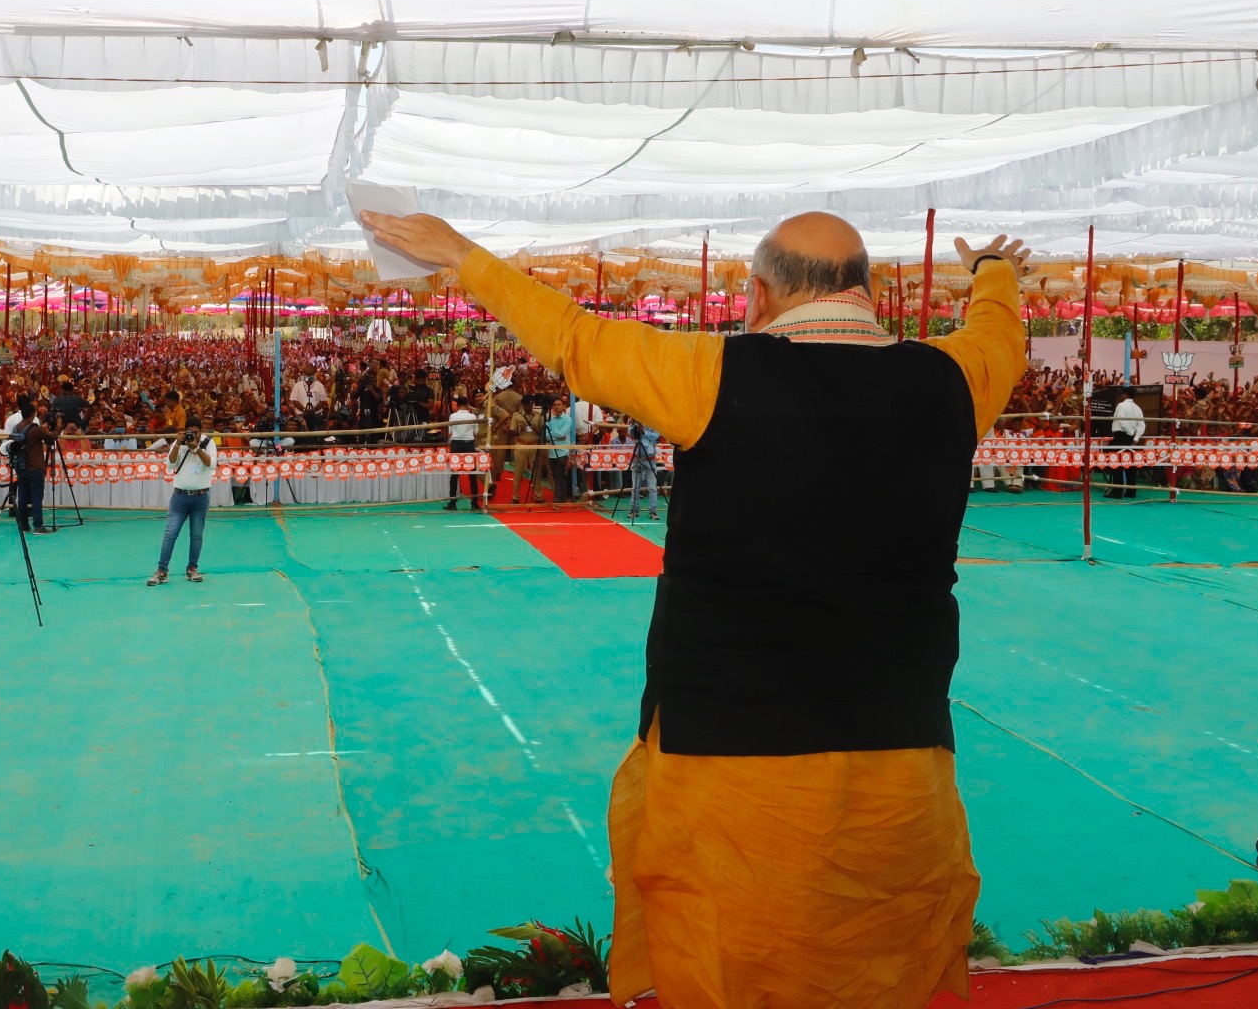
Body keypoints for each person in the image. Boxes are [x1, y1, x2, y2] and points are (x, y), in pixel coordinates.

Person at [362, 207, 1027, 1009]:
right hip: (902, 765)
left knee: (726, 972)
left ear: (758, 295)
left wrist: (458, 253)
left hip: (732, 768)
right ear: (867, 292)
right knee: (875, 967)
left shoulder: (714, 372)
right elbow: (1000, 334)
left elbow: (575, 339)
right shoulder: (954, 379)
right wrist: (993, 271)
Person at [150, 424, 216, 586]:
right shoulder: (178, 443)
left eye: (195, 433)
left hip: (201, 497)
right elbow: (170, 464)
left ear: (201, 432)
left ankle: (192, 569)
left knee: (197, 534)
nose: (192, 436)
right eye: (189, 433)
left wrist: (197, 447)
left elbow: (211, 465)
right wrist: (178, 444)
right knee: (170, 534)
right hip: (179, 497)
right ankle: (162, 571)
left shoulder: (208, 443)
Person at [12, 396, 54, 533]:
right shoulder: (34, 429)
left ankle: (24, 525)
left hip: (21, 467)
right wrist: (58, 427)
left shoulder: (16, 428)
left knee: (22, 497)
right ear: (33, 414)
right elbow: (50, 438)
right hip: (35, 466)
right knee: (36, 497)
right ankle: (38, 525)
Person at [443, 394, 484, 512]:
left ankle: (452, 503)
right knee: (472, 475)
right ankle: (475, 503)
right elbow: (476, 431)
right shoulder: (472, 416)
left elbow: (450, 431)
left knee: (454, 474)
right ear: (466, 404)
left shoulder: (452, 416)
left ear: (457, 405)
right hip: (468, 444)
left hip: (456, 444)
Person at [1108, 384, 1146, 498]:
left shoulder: (1121, 406)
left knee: (1117, 463)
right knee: (1130, 464)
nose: (1120, 396)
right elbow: (1141, 425)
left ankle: (1117, 491)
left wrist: (1130, 433)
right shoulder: (1138, 408)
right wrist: (1135, 438)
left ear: (1126, 394)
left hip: (1121, 436)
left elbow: (1122, 421)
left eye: (1122, 393)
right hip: (1131, 438)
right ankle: (1131, 491)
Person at [627, 419, 661, 521]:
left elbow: (656, 436)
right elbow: (631, 434)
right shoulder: (636, 423)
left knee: (652, 487)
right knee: (635, 486)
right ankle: (634, 509)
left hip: (650, 459)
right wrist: (632, 424)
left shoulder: (654, 422)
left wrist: (644, 431)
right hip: (637, 458)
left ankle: (653, 511)